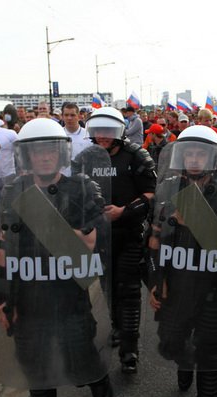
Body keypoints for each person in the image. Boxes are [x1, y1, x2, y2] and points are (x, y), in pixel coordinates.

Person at [0, 118, 113, 397]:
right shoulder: (13, 190)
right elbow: (3, 247)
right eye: (38, 152)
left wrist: (42, 223)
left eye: (51, 151)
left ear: (61, 154)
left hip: (70, 297)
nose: (45, 157)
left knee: (88, 366)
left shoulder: (82, 188)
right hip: (28, 299)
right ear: (27, 155)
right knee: (38, 375)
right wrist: (1, 298)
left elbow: (94, 241)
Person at [147, 125, 217, 397]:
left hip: (213, 285)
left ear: (213, 157)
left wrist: (193, 218)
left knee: (211, 351)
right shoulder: (167, 187)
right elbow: (154, 240)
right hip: (176, 282)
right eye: (188, 153)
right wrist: (156, 280)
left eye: (200, 154)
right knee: (170, 343)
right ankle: (184, 361)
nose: (193, 159)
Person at [75, 106, 156, 373]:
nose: (102, 136)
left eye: (108, 131)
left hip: (130, 232)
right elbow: (73, 192)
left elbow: (152, 193)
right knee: (109, 287)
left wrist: (125, 211)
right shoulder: (85, 158)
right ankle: (118, 327)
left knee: (129, 290)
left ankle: (130, 349)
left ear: (119, 131)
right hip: (100, 236)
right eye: (98, 130)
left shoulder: (137, 155)